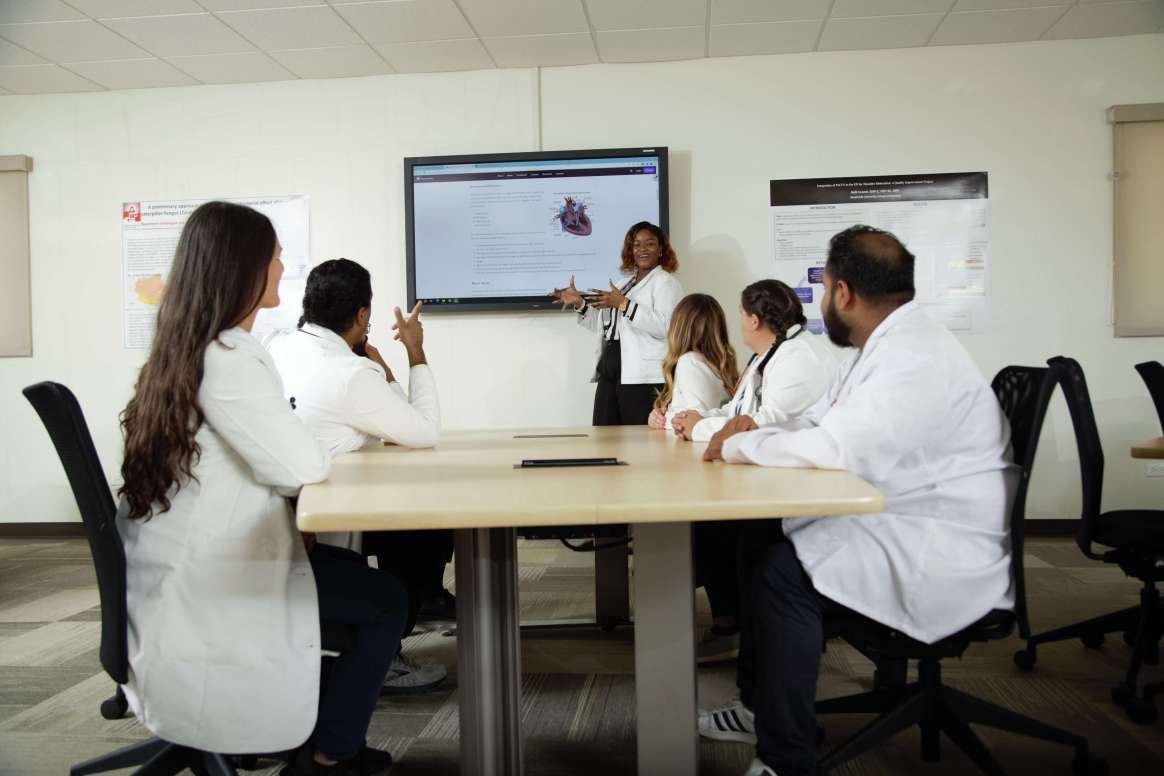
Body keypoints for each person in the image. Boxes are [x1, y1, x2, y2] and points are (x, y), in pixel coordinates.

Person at [698, 225, 1017, 776]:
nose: (821, 302)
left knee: (781, 571)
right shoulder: (886, 346)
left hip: (937, 551)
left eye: (823, 290)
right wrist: (754, 435)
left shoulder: (911, 356)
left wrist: (741, 445)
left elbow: (835, 446)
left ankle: (785, 760)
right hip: (905, 517)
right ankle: (761, 708)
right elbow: (822, 420)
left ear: (843, 292)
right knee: (757, 536)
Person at [117, 202, 405, 776]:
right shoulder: (228, 357)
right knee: (386, 603)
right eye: (275, 258)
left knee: (365, 589)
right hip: (219, 575)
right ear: (246, 269)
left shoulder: (192, 345)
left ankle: (311, 731)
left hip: (197, 563)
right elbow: (300, 466)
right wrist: (313, 443)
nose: (282, 268)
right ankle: (329, 754)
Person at [266, 258, 450, 695]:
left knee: (415, 533)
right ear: (362, 316)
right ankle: (384, 655)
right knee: (425, 531)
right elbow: (422, 433)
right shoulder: (351, 373)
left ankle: (384, 638)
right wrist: (413, 353)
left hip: (278, 515)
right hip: (321, 523)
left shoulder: (274, 345)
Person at [672, 280, 840, 665]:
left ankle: (745, 631)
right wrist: (696, 420)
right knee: (708, 521)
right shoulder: (771, 355)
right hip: (778, 467)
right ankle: (737, 623)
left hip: (802, 481)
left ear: (755, 318)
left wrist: (699, 428)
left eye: (742, 315)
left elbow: (765, 423)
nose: (739, 323)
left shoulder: (798, 358)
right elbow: (737, 413)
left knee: (714, 524)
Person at [550, 221, 684, 426]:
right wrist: (580, 303)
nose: (642, 249)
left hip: (643, 378)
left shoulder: (667, 283)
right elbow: (606, 326)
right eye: (636, 245)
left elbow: (665, 327)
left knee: (641, 442)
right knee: (604, 438)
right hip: (610, 372)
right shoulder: (623, 285)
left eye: (649, 244)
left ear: (661, 250)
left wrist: (623, 304)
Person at [647, 293, 739, 432]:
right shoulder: (716, 365)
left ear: (678, 329)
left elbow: (694, 421)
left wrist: (665, 419)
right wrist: (659, 417)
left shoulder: (690, 361)